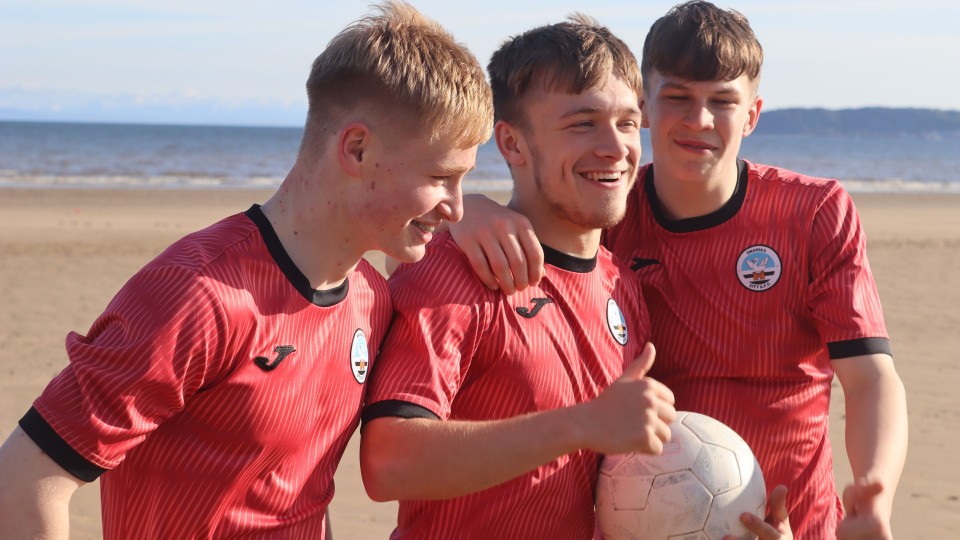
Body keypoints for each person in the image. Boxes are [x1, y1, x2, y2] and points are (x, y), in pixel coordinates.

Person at [0, 2, 493, 538]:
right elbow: (24, 481)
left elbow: (298, 492)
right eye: (441, 177)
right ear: (356, 149)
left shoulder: (370, 298)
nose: (456, 208)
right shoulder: (198, 294)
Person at [448, 2, 907, 539]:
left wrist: (874, 491)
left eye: (723, 101)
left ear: (752, 114)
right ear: (645, 106)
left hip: (791, 523)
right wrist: (464, 212)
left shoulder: (812, 212)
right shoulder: (605, 213)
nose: (699, 120)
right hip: (649, 518)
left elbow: (871, 376)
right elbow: (454, 257)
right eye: (678, 97)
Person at [359, 15, 788, 540]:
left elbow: (624, 492)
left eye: (627, 123)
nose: (615, 147)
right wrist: (581, 423)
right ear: (512, 144)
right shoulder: (457, 271)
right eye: (582, 123)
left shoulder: (621, 285)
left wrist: (728, 523)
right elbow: (389, 462)